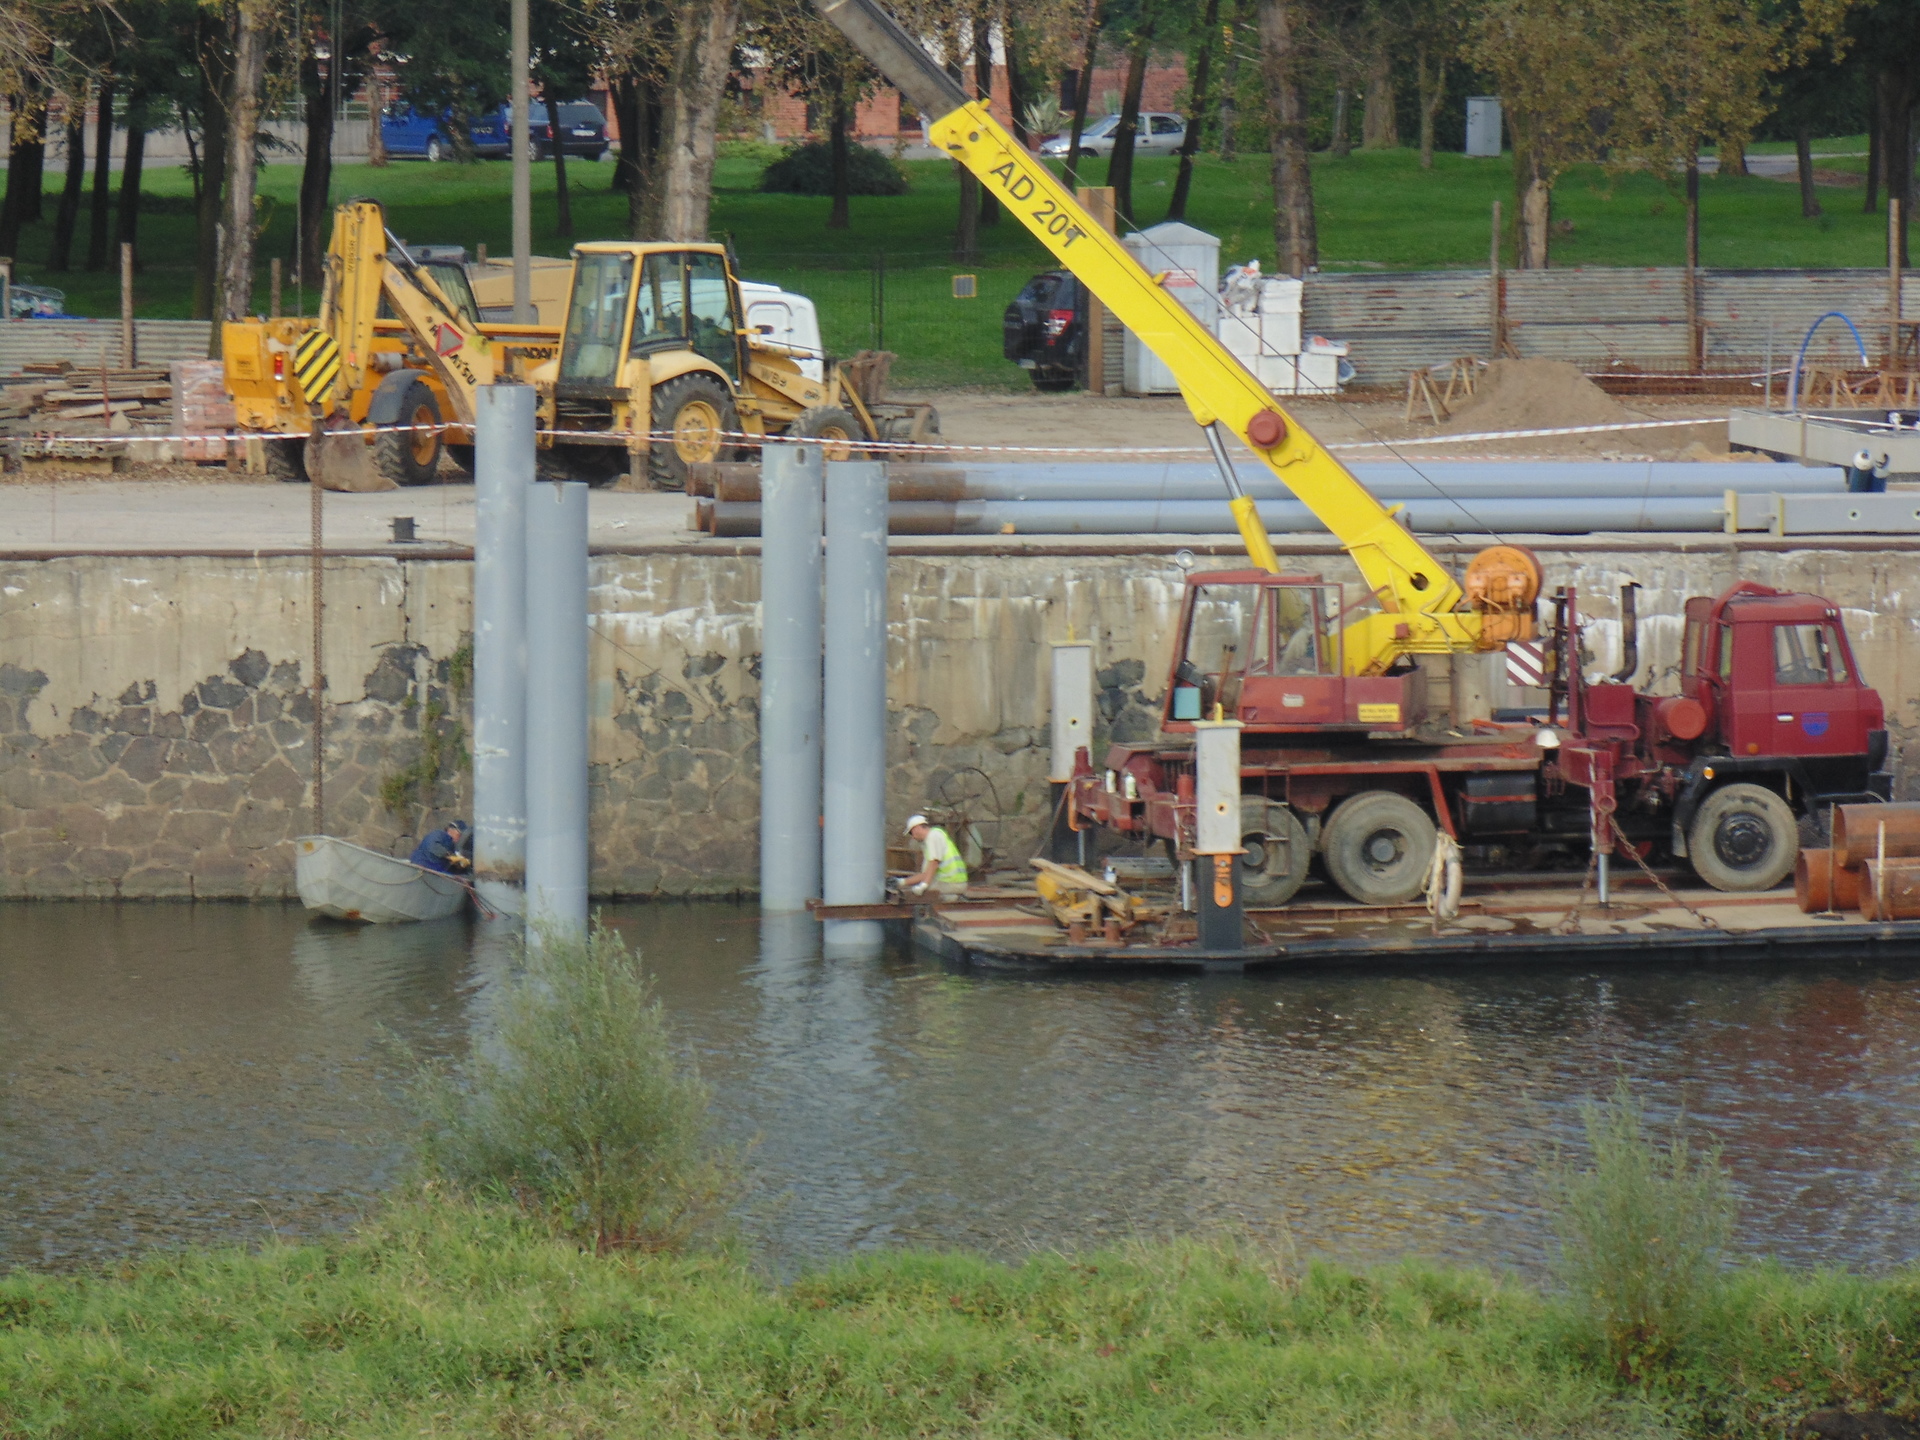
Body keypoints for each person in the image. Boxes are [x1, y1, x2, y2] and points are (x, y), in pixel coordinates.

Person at [904, 813, 968, 899]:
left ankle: (951, 899)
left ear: (916, 829)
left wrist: (924, 885)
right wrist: (901, 882)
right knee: (922, 889)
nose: (913, 837)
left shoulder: (934, 836)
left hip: (952, 883)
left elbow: (934, 863)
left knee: (925, 895)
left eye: (911, 833)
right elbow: (925, 874)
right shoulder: (932, 839)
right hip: (953, 882)